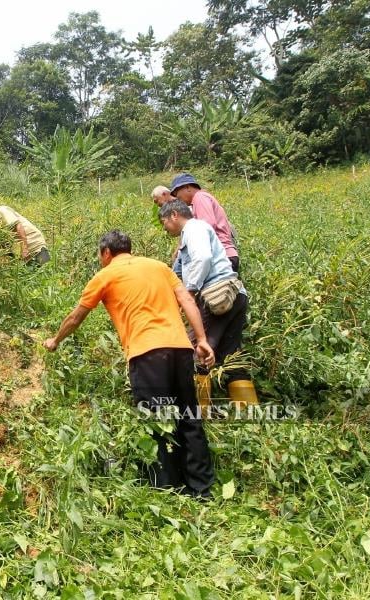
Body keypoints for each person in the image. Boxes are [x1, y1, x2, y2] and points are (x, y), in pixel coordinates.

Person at [43, 230, 215, 497]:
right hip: (181, 349)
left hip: (146, 352)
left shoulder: (105, 275)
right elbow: (186, 300)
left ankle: (165, 490)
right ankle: (201, 490)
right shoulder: (159, 267)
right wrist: (201, 339)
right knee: (188, 417)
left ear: (106, 253)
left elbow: (76, 317)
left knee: (155, 420)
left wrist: (55, 340)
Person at [159, 200, 259, 410]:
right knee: (231, 355)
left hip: (217, 297)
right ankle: (248, 414)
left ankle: (198, 415)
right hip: (234, 295)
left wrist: (191, 291)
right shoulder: (191, 235)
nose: (164, 228)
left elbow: (203, 259)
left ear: (174, 215)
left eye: (164, 222)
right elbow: (176, 275)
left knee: (196, 350)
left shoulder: (194, 228)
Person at [169, 173, 240, 272]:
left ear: (187, 187)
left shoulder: (200, 197)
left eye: (178, 195)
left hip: (221, 258)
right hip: (225, 255)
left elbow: (206, 227)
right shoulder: (201, 199)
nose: (178, 199)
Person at [0, 200, 50, 265]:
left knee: (44, 273)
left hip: (34, 243)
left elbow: (18, 226)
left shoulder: (1, 211)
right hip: (19, 254)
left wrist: (24, 249)